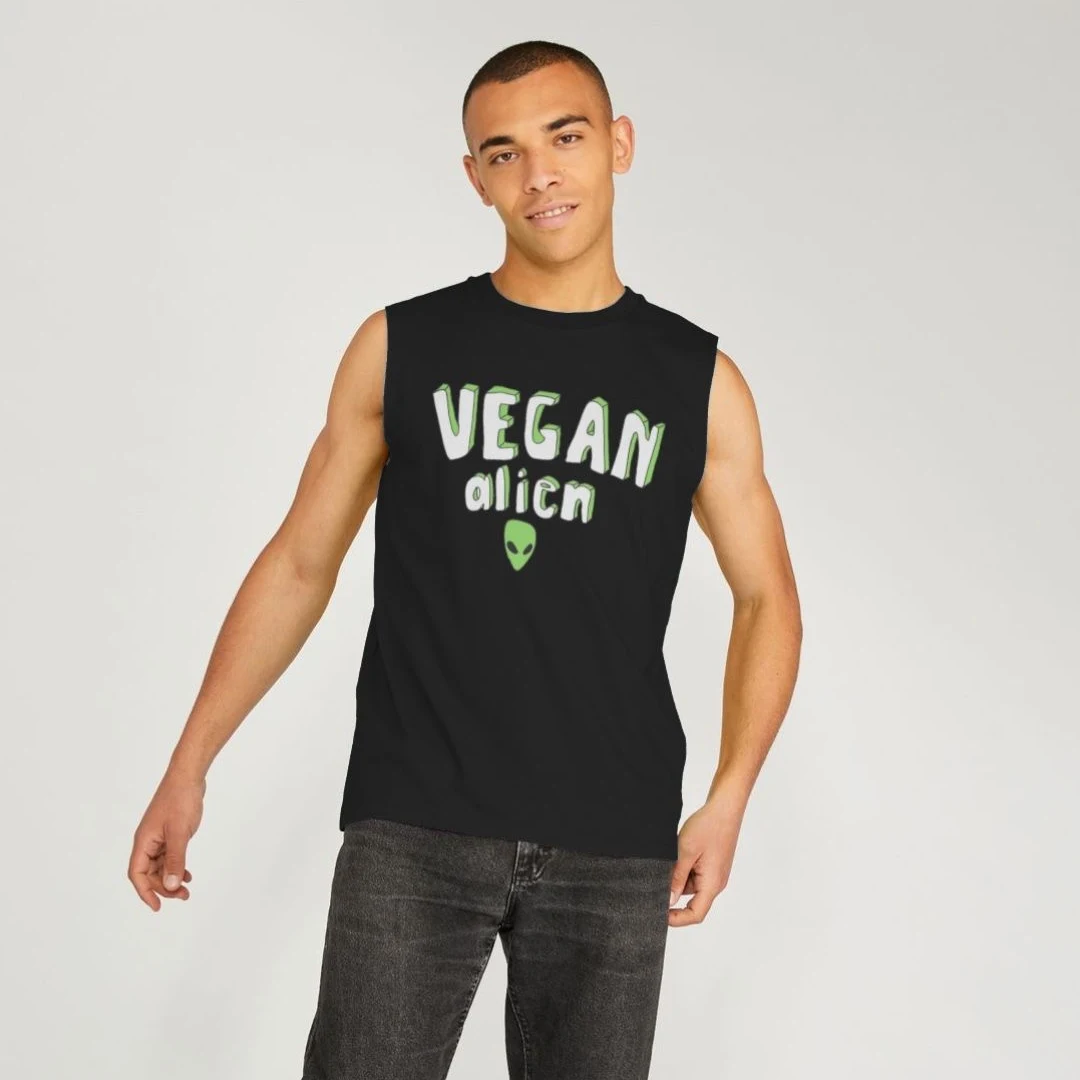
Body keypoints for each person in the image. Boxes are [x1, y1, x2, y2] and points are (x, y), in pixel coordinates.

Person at [127, 39, 802, 1080]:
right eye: (503, 152)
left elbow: (766, 598)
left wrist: (731, 793)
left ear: (618, 145)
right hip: (415, 826)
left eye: (565, 137)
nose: (539, 175)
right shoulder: (403, 346)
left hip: (615, 836)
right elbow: (300, 562)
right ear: (475, 177)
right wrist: (189, 764)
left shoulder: (697, 379)